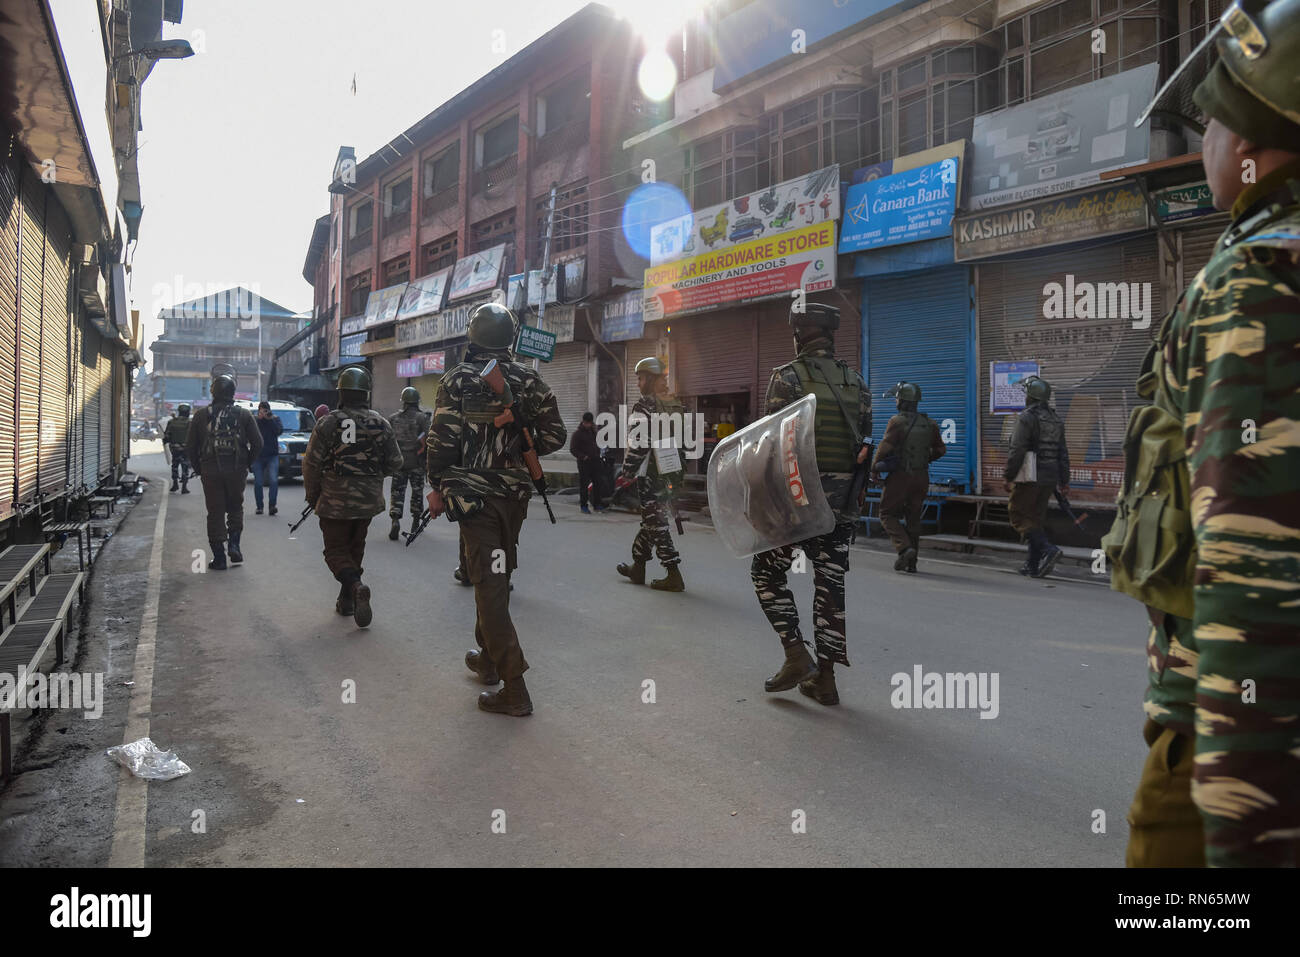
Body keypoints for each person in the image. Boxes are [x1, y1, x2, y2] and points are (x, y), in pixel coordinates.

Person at [1114, 0, 1300, 868]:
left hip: (1227, 745)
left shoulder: (1258, 280)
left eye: (1221, 117)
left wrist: (1246, 828)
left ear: (1261, 143)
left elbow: (1253, 569)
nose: (1209, 139)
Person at [426, 302, 566, 715]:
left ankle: (514, 685)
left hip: (474, 498)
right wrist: (526, 443)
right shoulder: (530, 380)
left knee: (489, 583)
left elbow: (441, 440)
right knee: (496, 575)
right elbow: (556, 435)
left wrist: (437, 485)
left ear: (473, 337)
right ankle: (488, 660)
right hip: (514, 499)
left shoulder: (456, 379)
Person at [751, 303, 871, 706]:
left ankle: (795, 653)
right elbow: (863, 445)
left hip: (796, 503)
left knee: (766, 575)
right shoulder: (857, 382)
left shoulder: (786, 379)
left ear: (800, 335)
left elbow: (769, 446)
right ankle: (827, 679)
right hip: (842, 506)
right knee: (830, 587)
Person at [301, 366, 401, 627]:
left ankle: (355, 587)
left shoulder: (328, 422)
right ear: (366, 393)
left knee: (335, 551)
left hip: (334, 500)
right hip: (367, 501)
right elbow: (395, 462)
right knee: (355, 548)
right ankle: (347, 601)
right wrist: (371, 474)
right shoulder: (381, 423)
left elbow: (311, 464)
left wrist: (313, 496)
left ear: (342, 393)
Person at [614, 357, 686, 591]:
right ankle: (638, 566)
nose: (638, 383)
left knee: (655, 523)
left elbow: (639, 444)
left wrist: (627, 472)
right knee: (650, 521)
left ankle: (673, 573)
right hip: (671, 471)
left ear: (652, 379)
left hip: (652, 475)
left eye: (641, 378)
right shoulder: (675, 403)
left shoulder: (645, 406)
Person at [185, 371, 262, 570]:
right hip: (237, 470)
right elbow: (258, 443)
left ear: (213, 392)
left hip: (210, 471)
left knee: (215, 512)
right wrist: (247, 463)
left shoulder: (201, 415)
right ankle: (234, 545)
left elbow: (190, 446)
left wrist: (199, 468)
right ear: (232, 392)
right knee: (235, 507)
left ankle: (219, 558)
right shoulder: (243, 414)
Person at [871, 382, 946, 573]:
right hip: (921, 476)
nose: (895, 401)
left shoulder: (896, 422)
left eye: (897, 398)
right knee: (913, 518)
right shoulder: (930, 424)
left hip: (900, 477)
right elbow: (940, 450)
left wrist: (874, 467)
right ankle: (912, 564)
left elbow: (885, 447)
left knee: (887, 514)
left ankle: (904, 548)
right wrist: (925, 459)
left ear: (902, 401)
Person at [1003, 375, 1069, 578]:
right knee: (1035, 519)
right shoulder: (1056, 418)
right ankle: (1032, 565)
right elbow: (1063, 452)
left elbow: (1017, 449)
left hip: (1030, 475)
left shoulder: (1027, 417)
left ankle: (1048, 549)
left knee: (1018, 514)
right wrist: (1064, 480)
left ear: (1031, 397)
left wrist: (1009, 475)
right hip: (1050, 478)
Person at [388, 387, 431, 540]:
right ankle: (415, 520)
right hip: (416, 463)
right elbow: (429, 438)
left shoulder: (393, 418)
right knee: (417, 492)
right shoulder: (422, 418)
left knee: (397, 492)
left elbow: (388, 441)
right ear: (416, 401)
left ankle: (395, 520)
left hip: (399, 462)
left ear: (404, 401)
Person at [251, 401, 283, 516]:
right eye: (262, 410)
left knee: (274, 480)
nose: (264, 412)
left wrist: (270, 419)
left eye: (266, 410)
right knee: (258, 482)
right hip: (258, 455)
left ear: (269, 410)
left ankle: (272, 506)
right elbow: (251, 433)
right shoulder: (255, 420)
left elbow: (278, 431)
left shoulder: (275, 418)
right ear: (258, 410)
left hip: (272, 455)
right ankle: (259, 507)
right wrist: (259, 419)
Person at [570, 411, 605, 513]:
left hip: (595, 461)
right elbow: (573, 449)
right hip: (584, 463)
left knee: (597, 483)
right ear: (583, 422)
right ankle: (584, 506)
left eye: (589, 423)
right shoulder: (577, 434)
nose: (588, 425)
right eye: (586, 423)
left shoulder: (594, 432)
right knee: (584, 485)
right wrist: (583, 457)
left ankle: (597, 504)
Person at [163, 404, 193, 493]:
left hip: (174, 448)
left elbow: (167, 436)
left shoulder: (172, 422)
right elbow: (193, 436)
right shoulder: (189, 423)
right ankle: (184, 487)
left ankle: (175, 484)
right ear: (188, 412)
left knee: (175, 466)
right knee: (185, 467)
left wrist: (167, 441)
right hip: (185, 449)